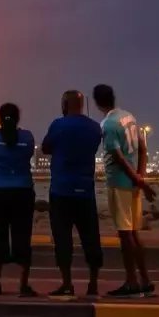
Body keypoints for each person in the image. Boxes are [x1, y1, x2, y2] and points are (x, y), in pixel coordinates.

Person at [92, 83, 156, 298]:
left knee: (125, 234)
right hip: (133, 183)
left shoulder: (108, 124)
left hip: (119, 183)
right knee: (134, 233)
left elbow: (118, 157)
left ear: (97, 102)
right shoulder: (129, 117)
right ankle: (145, 280)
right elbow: (143, 149)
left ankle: (131, 282)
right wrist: (140, 178)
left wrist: (139, 181)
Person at [39, 90, 104, 297]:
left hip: (61, 190)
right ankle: (93, 283)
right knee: (91, 237)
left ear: (64, 104)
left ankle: (67, 283)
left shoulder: (58, 125)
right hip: (85, 190)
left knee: (63, 239)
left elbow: (46, 147)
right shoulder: (94, 127)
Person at [0, 102, 38, 297]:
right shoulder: (27, 137)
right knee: (23, 235)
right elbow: (28, 153)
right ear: (18, 118)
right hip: (22, 191)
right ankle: (23, 285)